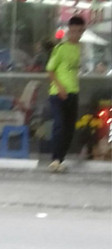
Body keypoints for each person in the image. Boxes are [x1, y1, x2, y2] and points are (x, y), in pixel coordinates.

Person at [46, 15, 84, 170]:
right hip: (58, 93)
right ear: (69, 30)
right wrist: (60, 87)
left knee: (69, 128)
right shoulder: (60, 48)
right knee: (59, 125)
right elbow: (50, 70)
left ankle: (60, 160)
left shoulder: (79, 48)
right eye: (73, 31)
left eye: (79, 31)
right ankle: (55, 159)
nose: (76, 34)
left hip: (73, 92)